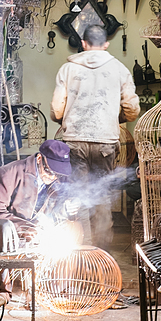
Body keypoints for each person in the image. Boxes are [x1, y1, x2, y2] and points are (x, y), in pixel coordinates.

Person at [50, 24, 140, 245]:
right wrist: (115, 119)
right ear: (106, 44)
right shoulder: (119, 69)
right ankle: (102, 256)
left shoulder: (67, 69)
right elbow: (132, 109)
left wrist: (66, 119)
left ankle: (83, 250)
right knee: (101, 197)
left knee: (77, 196)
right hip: (105, 142)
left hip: (74, 142)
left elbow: (56, 109)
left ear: (83, 44)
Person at [0, 140, 73, 253]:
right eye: (49, 172)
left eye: (58, 174)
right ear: (39, 159)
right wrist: (24, 227)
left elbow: (57, 213)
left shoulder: (58, 180)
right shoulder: (8, 173)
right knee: (5, 228)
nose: (53, 177)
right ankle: (3, 270)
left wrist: (66, 209)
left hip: (36, 233)